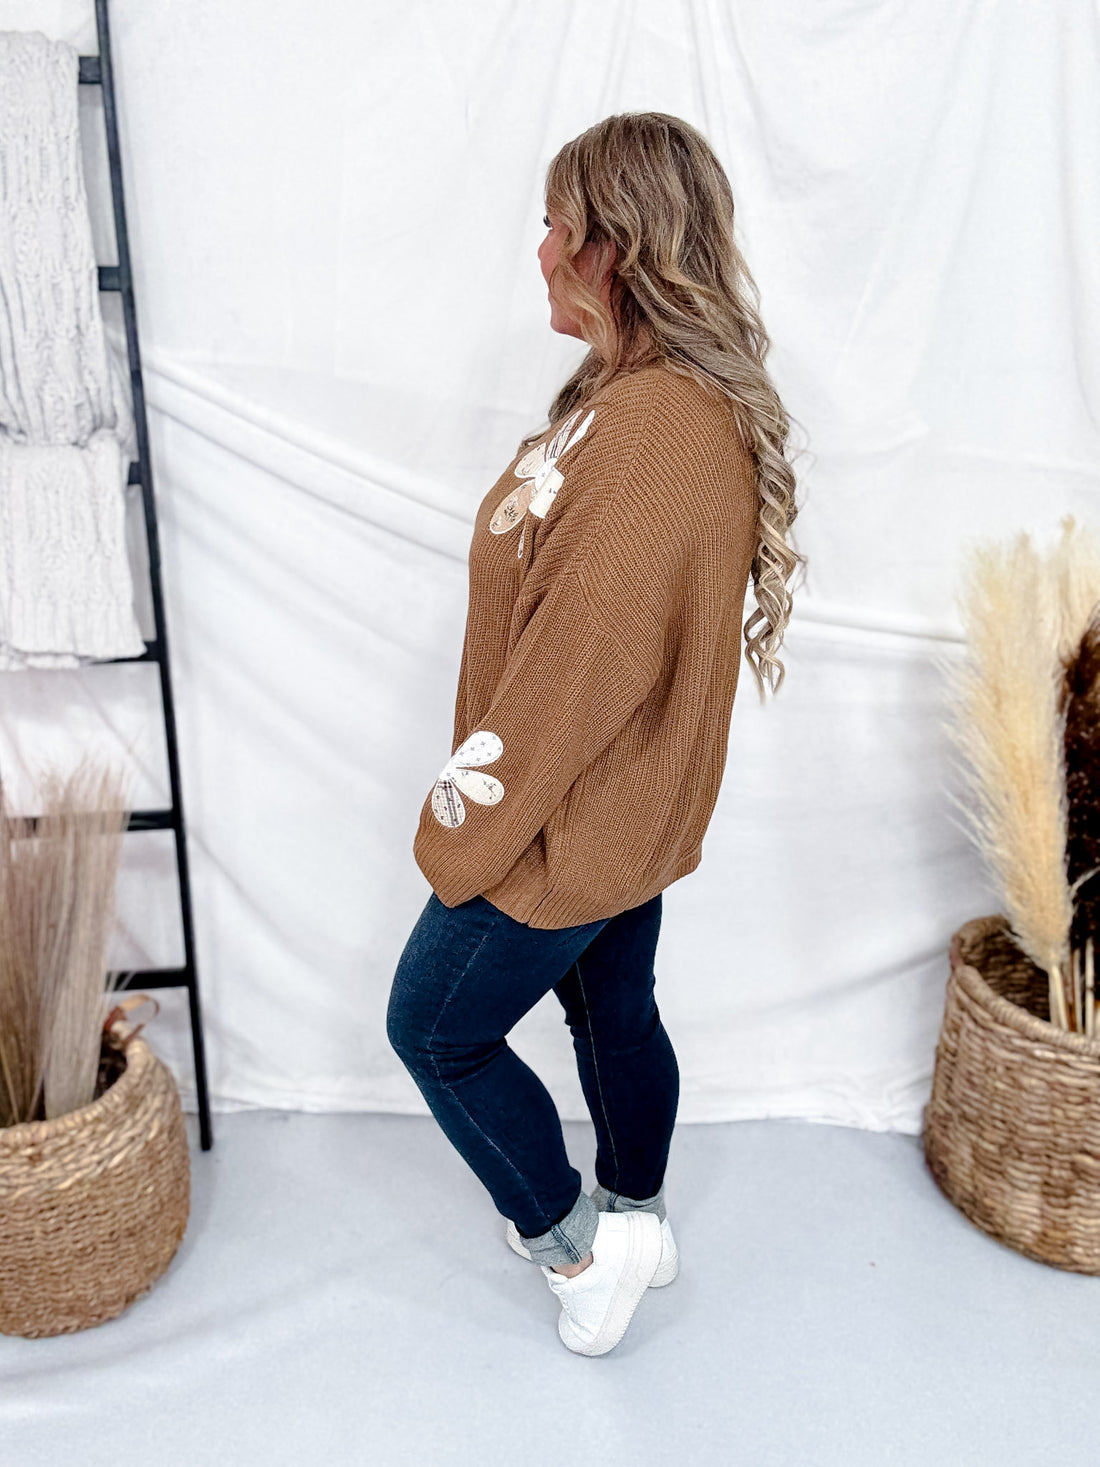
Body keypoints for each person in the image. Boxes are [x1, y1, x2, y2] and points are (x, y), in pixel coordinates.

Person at [387, 111, 804, 1356]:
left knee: (434, 1028)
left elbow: (577, 673)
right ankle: (639, 1220)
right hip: (624, 806)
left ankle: (576, 1251)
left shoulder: (648, 431)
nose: (539, 252)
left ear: (612, 247)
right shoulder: (645, 401)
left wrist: (464, 830)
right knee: (613, 1015)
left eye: (555, 226)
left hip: (563, 818)